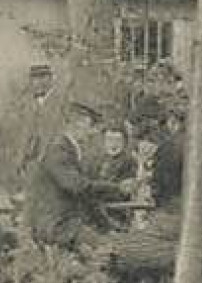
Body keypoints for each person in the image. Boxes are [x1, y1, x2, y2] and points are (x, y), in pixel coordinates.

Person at [25, 101, 127, 250]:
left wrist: (108, 227)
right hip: (56, 226)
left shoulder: (71, 150)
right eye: (91, 126)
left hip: (68, 223)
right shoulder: (58, 150)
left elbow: (86, 197)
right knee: (109, 250)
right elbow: (77, 186)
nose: (93, 132)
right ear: (79, 124)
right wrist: (117, 188)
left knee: (112, 244)